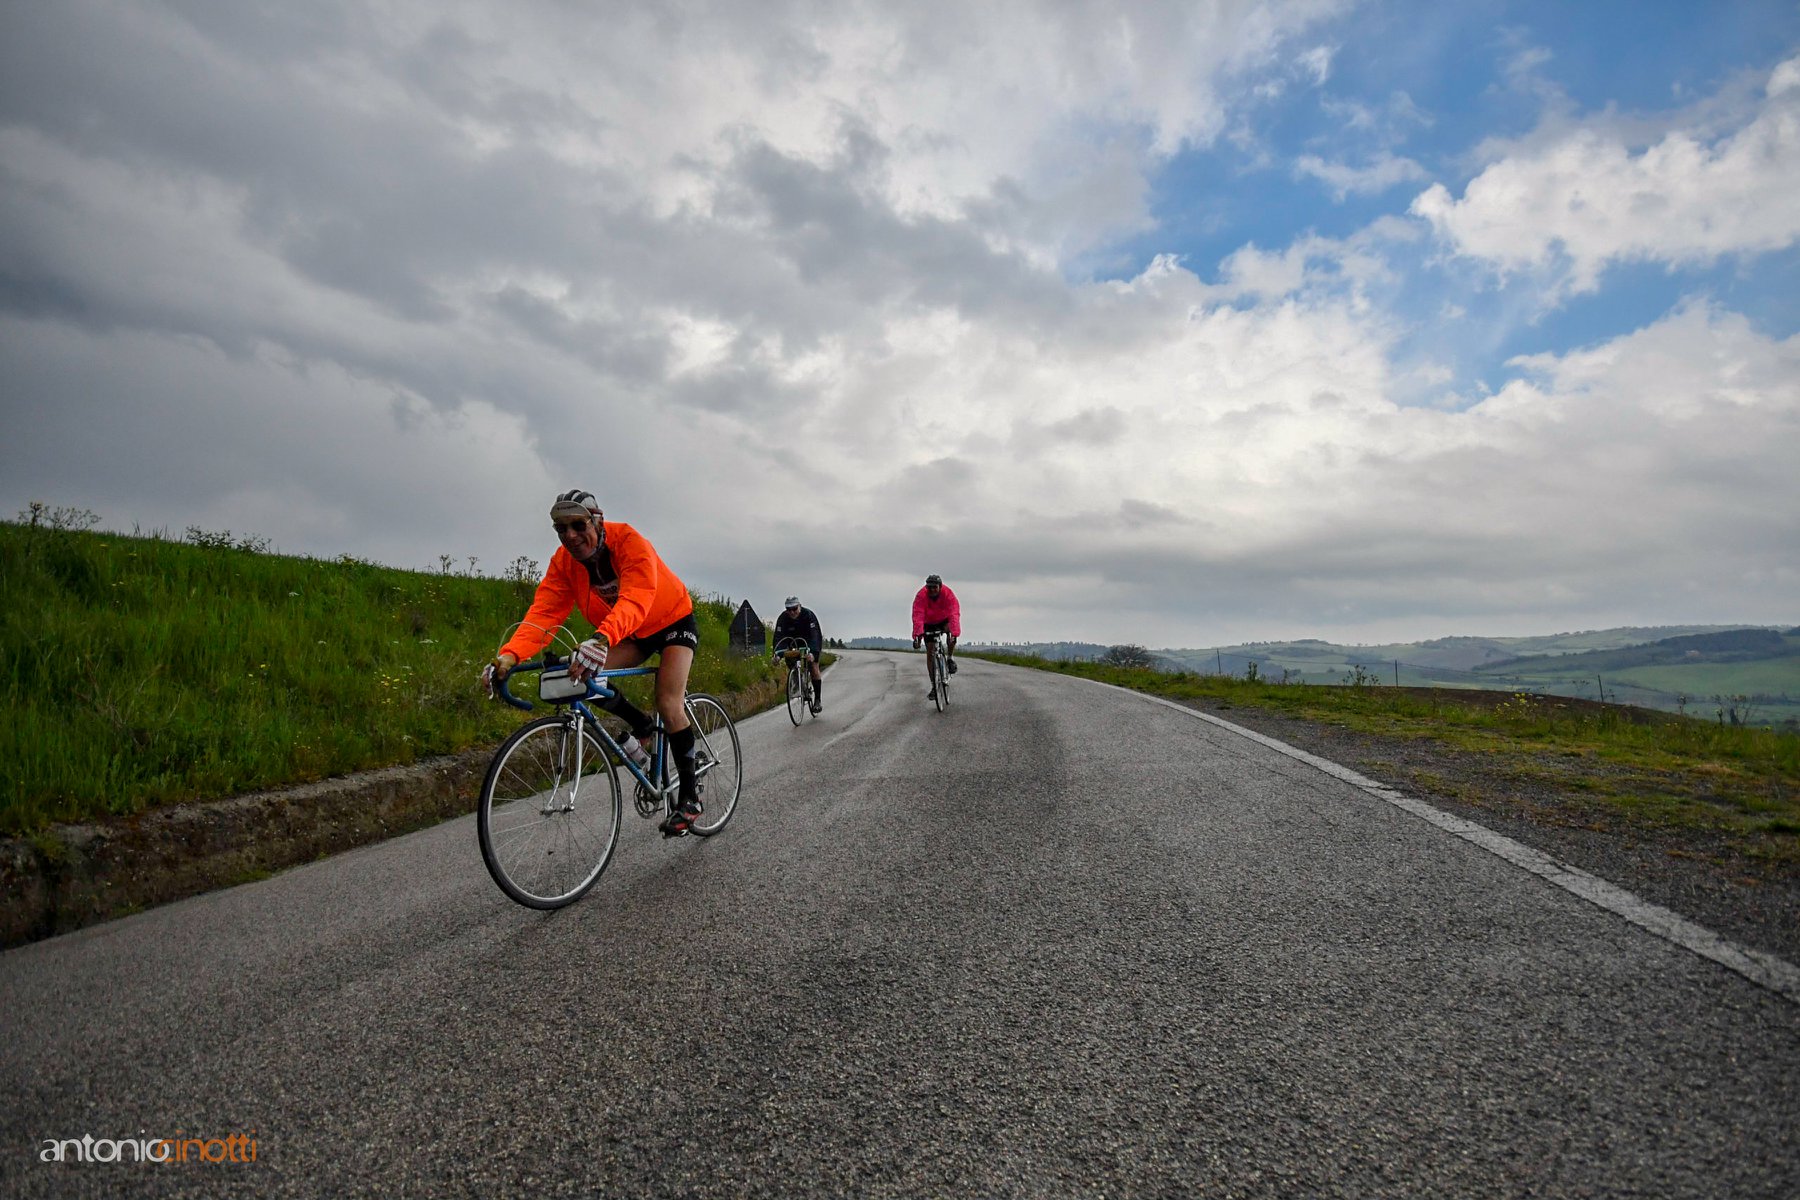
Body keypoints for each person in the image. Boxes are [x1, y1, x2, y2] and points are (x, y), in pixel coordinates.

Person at [481, 490, 704, 836]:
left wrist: (601, 639)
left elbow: (637, 597)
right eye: (560, 529)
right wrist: (509, 656)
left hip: (671, 621)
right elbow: (544, 614)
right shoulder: (564, 562)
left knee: (668, 700)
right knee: (580, 673)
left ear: (597, 522)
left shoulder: (629, 541)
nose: (570, 535)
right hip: (629, 630)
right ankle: (642, 725)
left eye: (577, 524)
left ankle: (689, 798)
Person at [910, 573, 961, 702]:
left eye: (935, 587)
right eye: (929, 587)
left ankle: (949, 658)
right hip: (928, 622)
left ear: (940, 586)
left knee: (950, 631)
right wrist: (917, 636)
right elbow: (918, 616)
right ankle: (934, 685)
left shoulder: (948, 594)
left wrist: (954, 634)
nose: (932, 590)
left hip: (944, 619)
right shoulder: (921, 596)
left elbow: (954, 614)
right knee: (930, 653)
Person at [771, 596, 825, 714]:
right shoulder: (783, 618)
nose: (792, 612)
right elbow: (779, 638)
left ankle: (817, 700)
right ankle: (797, 679)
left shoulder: (808, 615)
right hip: (793, 642)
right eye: (788, 609)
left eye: (794, 609)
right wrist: (777, 655)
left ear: (799, 606)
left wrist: (813, 653)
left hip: (809, 641)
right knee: (790, 659)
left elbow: (815, 636)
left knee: (813, 666)